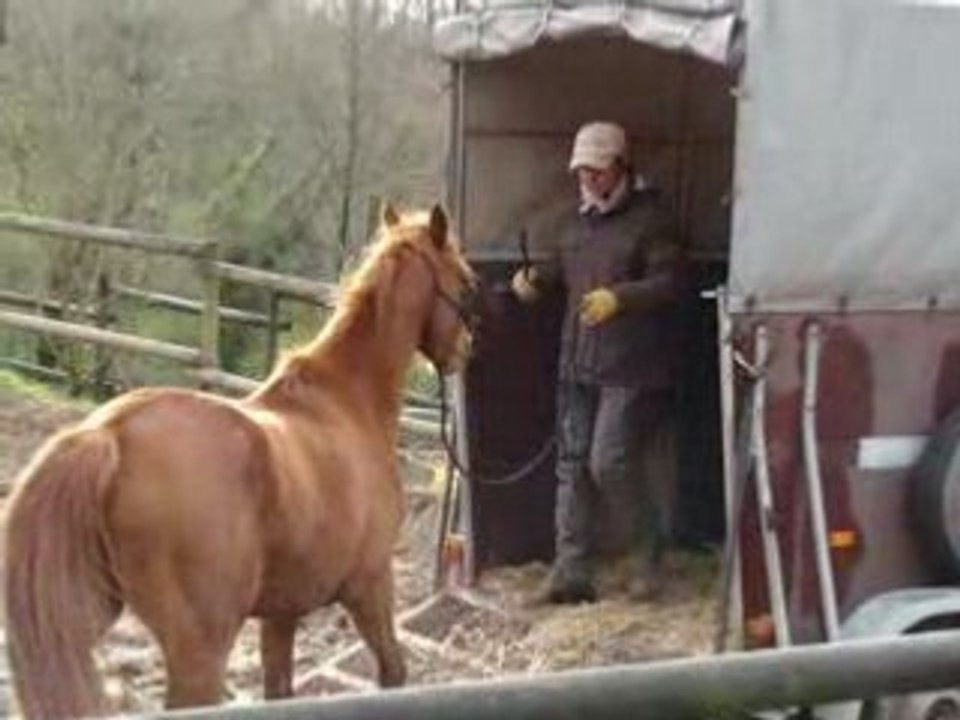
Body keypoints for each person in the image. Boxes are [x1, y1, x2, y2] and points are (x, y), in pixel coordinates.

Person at [512, 121, 682, 604]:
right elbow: (560, 267)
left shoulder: (653, 221)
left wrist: (620, 298)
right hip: (578, 362)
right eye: (582, 169)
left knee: (608, 462)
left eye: (596, 169)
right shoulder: (576, 223)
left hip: (632, 367)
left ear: (620, 167)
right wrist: (534, 281)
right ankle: (571, 572)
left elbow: (671, 282)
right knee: (571, 465)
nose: (587, 178)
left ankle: (648, 556)